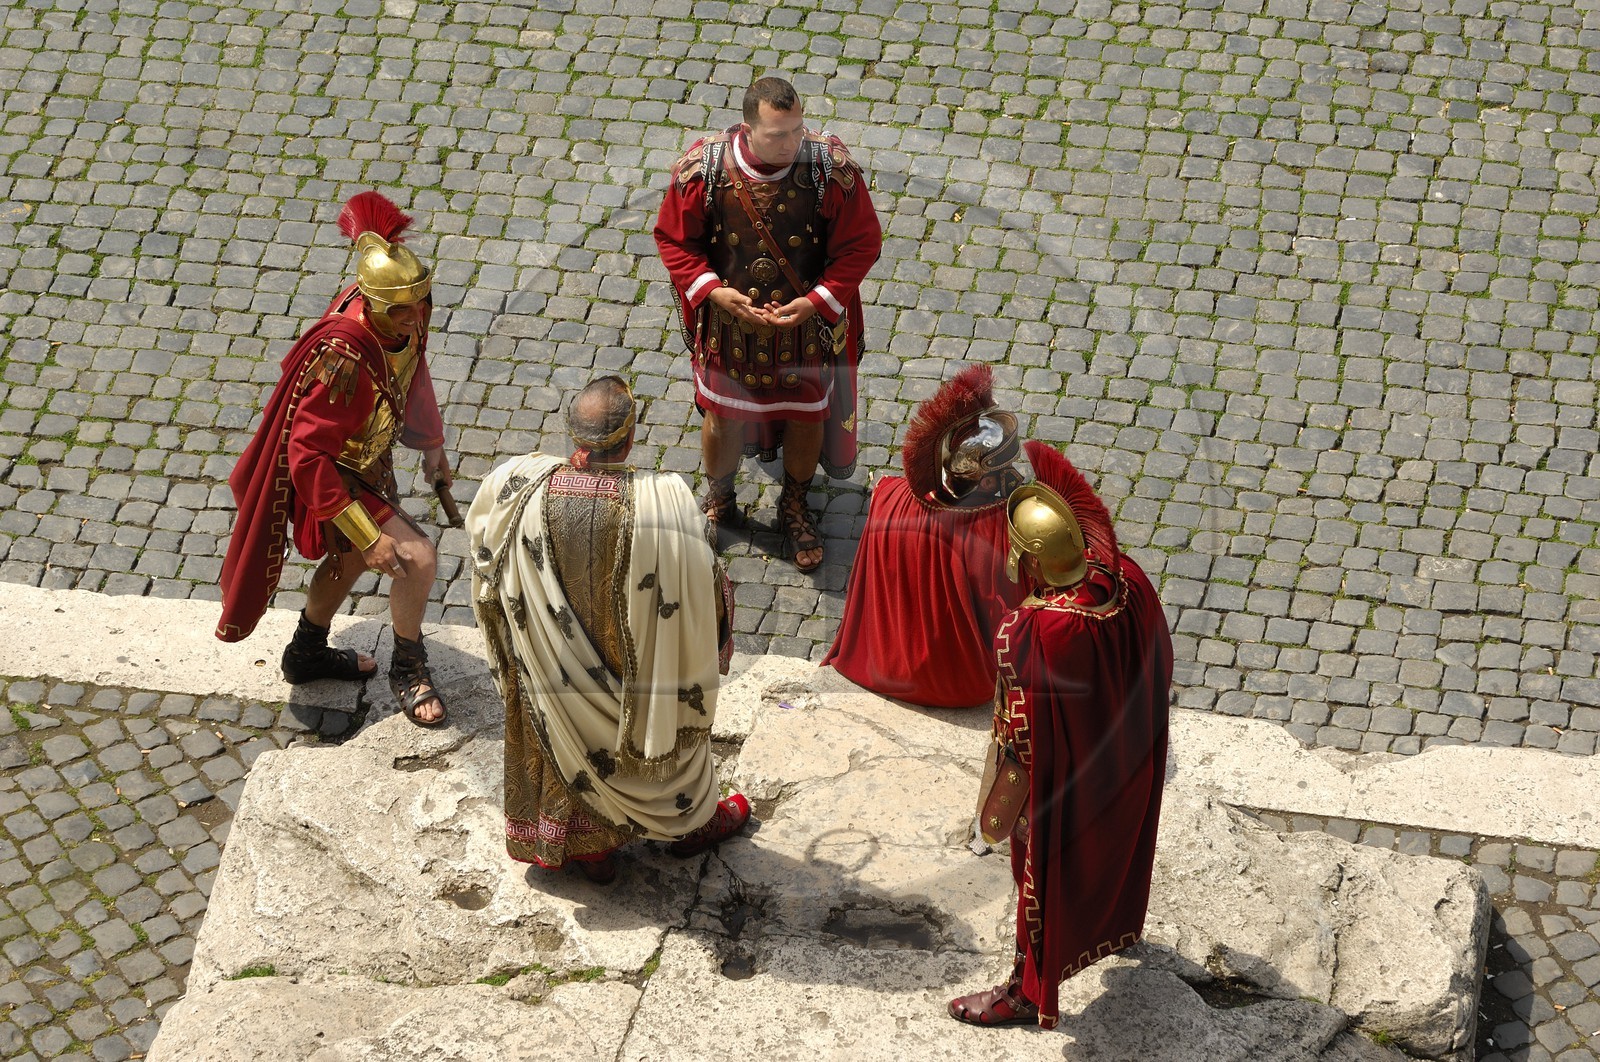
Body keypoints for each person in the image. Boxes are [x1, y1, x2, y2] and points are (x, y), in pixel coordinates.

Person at [466, 376, 750, 885]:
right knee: (666, 700)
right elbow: (706, 596)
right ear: (631, 435)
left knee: (551, 713)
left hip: (553, 674)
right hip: (635, 677)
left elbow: (485, 558)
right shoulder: (665, 505)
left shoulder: (520, 491)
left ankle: (585, 847)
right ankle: (687, 821)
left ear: (572, 435)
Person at [948, 441, 1173, 1029]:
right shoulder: (1128, 578)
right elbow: (1157, 664)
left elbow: (1019, 737)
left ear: (1030, 560)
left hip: (1066, 782)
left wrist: (1009, 811)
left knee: (1039, 878)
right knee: (1115, 854)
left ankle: (1027, 990)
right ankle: (1113, 929)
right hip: (1127, 762)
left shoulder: (1032, 630)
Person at [217, 191, 450, 727]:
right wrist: (369, 535)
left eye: (422, 303)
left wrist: (431, 444)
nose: (418, 318)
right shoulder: (342, 361)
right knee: (415, 559)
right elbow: (307, 455)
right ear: (371, 303)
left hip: (369, 459)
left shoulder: (404, 314)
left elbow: (413, 373)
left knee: (345, 561)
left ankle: (306, 653)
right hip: (334, 471)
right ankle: (407, 669)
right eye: (405, 310)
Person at [653, 75, 883, 572]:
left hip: (803, 329)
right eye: (778, 135)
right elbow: (675, 240)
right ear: (747, 127)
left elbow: (861, 244)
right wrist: (714, 291)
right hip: (728, 326)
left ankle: (795, 504)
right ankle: (720, 497)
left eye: (798, 130)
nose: (792, 144)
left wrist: (817, 301)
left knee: (806, 416)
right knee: (723, 416)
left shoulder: (830, 171)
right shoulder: (704, 170)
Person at [822, 364, 1029, 708]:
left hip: (882, 665)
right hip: (962, 686)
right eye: (1002, 472)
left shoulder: (887, 498)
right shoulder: (998, 532)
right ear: (986, 482)